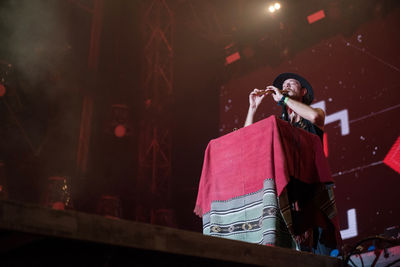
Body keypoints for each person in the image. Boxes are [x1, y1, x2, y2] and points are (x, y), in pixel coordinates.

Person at [244, 73, 341, 255]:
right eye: (284, 84)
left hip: (313, 195)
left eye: (292, 83)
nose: (286, 85)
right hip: (289, 196)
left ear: (303, 91)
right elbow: (247, 139)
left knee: (322, 253)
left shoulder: (315, 113)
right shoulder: (279, 124)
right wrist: (252, 108)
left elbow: (314, 116)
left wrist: (283, 100)